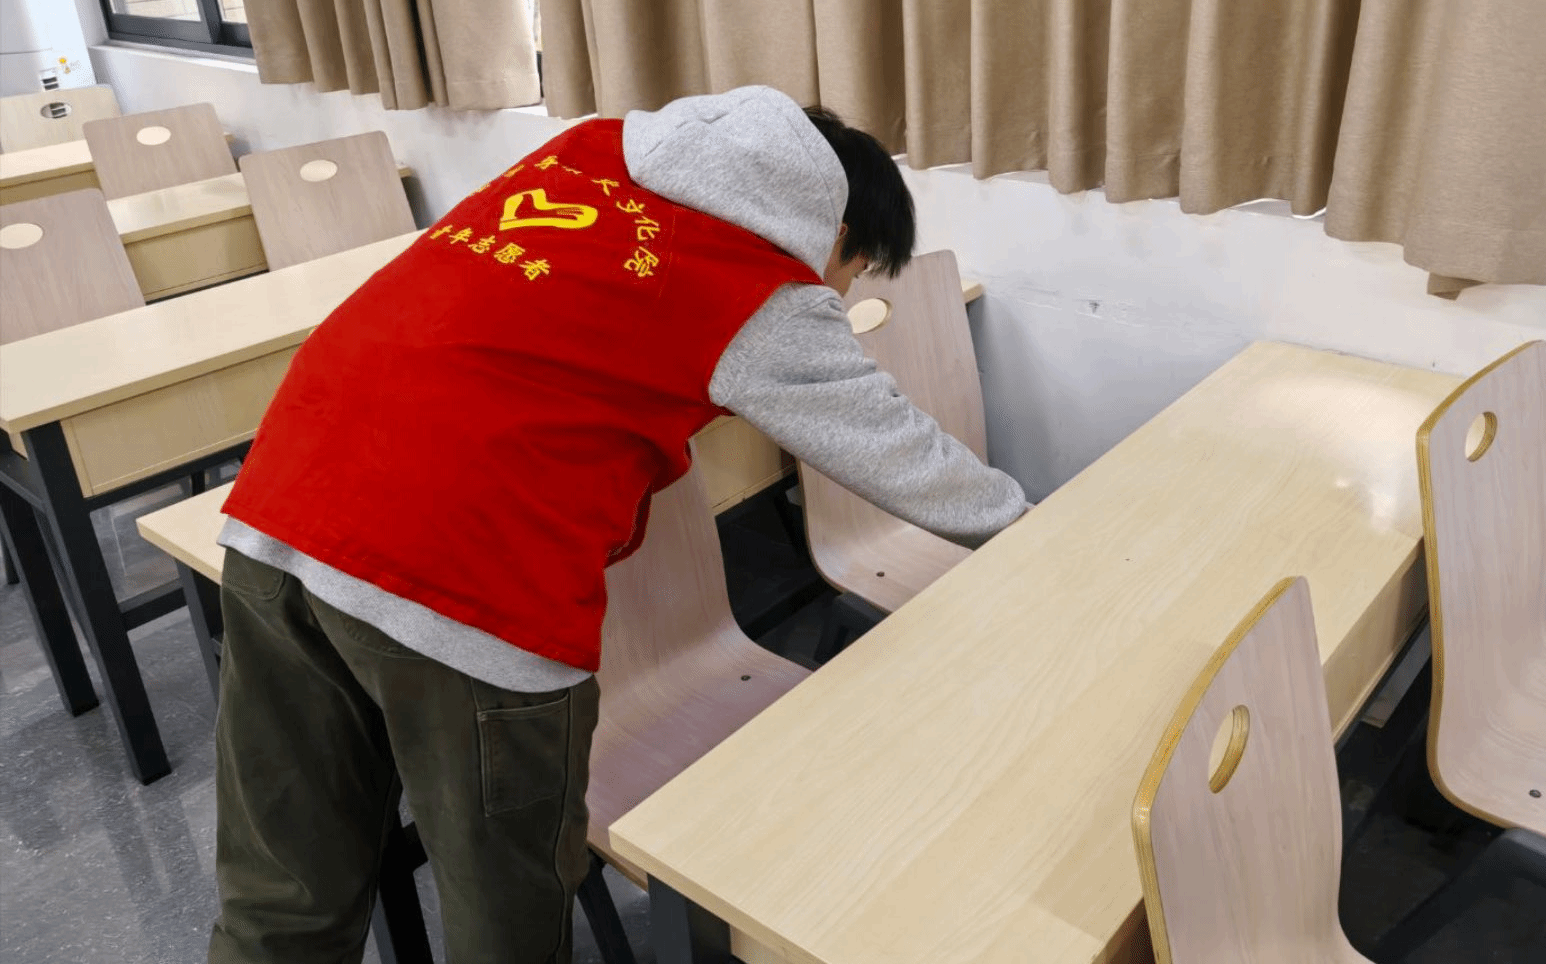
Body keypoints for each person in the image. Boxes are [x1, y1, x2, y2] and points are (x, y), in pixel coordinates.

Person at [207, 85, 1025, 962]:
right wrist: (1033, 534)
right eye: (852, 272)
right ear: (836, 230)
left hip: (282, 505)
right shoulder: (758, 284)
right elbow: (895, 450)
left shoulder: (589, 151)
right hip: (463, 577)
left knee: (282, 895)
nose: (838, 293)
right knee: (504, 915)